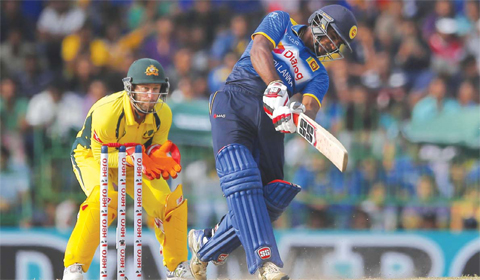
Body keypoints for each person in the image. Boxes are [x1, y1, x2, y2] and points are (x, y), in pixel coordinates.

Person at [188, 5, 358, 280]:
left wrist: (297, 115)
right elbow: (259, 51)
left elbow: (310, 108)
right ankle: (267, 264)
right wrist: (276, 86)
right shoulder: (281, 21)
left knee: (273, 197)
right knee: (243, 177)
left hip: (271, 118)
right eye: (332, 36)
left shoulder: (320, 75)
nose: (332, 44)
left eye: (338, 43)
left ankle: (207, 244)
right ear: (319, 22)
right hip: (236, 101)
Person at [62, 58, 190, 280]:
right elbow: (101, 158)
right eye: (145, 89)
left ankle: (177, 267)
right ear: (131, 88)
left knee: (170, 204)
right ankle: (74, 267)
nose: (151, 96)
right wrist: (128, 158)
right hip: (93, 156)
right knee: (105, 199)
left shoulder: (163, 115)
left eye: (155, 89)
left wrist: (159, 157)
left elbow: (154, 150)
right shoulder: (107, 113)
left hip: (134, 161)